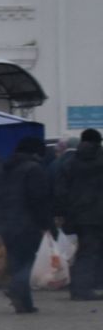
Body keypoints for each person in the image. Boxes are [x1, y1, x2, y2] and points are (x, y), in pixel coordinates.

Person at [0, 135, 55, 314]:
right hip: (28, 224)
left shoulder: (7, 167)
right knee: (27, 262)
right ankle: (16, 291)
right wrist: (47, 225)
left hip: (7, 224)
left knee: (17, 262)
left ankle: (25, 302)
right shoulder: (34, 169)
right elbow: (39, 200)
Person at [54, 127, 103, 301]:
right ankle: (82, 289)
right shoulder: (100, 159)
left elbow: (60, 190)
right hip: (97, 215)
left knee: (84, 250)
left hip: (77, 214)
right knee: (90, 252)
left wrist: (62, 212)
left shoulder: (70, 162)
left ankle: (80, 287)